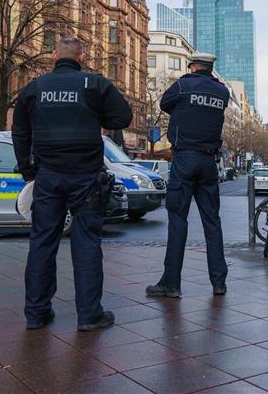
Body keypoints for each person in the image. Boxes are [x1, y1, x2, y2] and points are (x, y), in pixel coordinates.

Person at [12, 36, 132, 331]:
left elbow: (20, 131)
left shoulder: (35, 88)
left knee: (42, 242)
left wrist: (28, 170)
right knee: (87, 243)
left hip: (48, 176)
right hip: (86, 176)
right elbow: (124, 116)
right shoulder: (94, 84)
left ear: (55, 56)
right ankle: (90, 316)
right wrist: (96, 113)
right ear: (81, 57)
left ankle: (36, 313)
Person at [147, 53, 230, 299]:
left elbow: (164, 104)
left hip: (184, 159)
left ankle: (171, 283)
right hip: (208, 161)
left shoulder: (182, 85)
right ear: (210, 68)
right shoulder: (221, 92)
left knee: (178, 220)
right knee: (212, 222)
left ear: (193, 67)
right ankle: (219, 282)